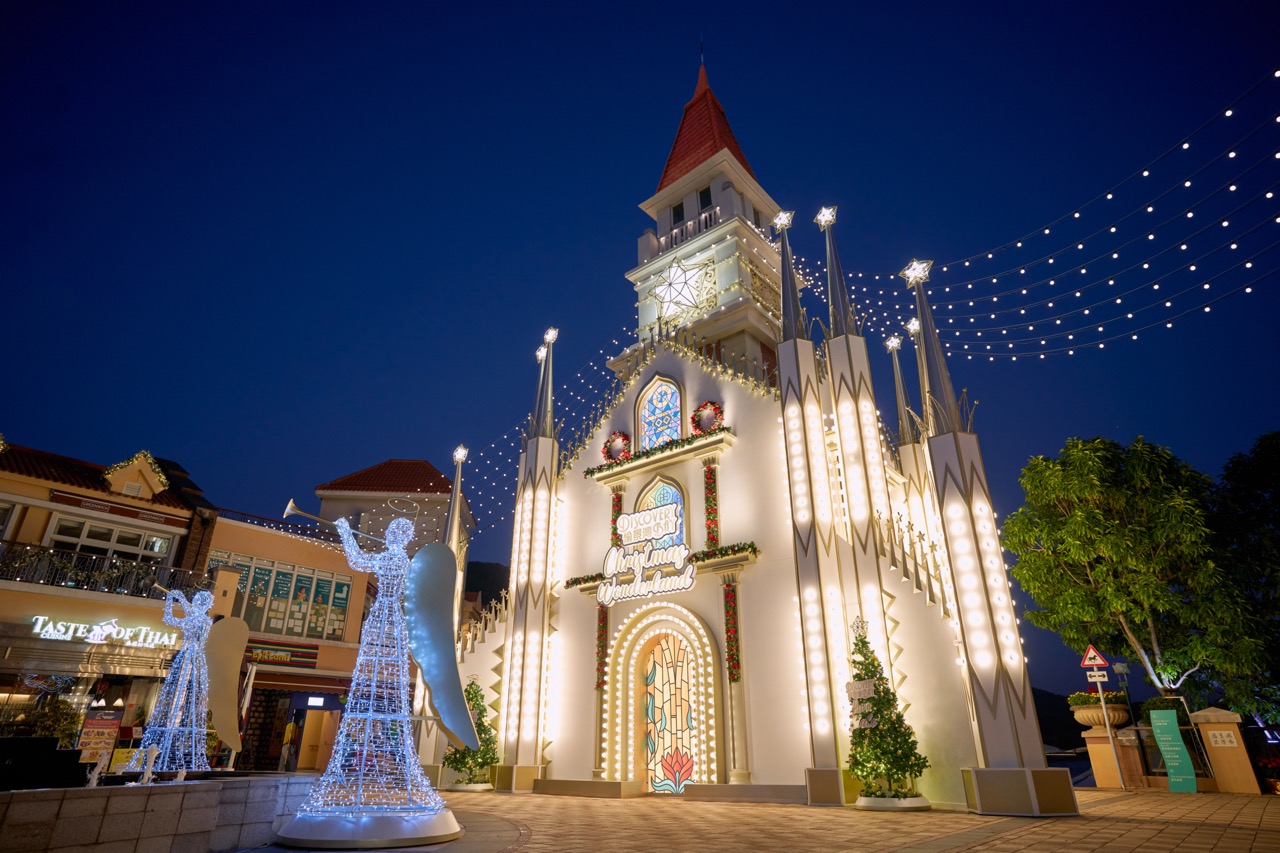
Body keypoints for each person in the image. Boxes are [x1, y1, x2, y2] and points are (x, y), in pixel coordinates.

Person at [126, 589, 214, 772]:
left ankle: (181, 756)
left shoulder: (205, 621)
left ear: (205, 605)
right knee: (172, 692)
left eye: (200, 601)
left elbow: (192, 621)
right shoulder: (194, 617)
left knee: (191, 696)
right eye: (195, 600)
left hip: (195, 659)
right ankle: (154, 758)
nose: (196, 603)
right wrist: (170, 601)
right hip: (183, 658)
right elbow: (170, 620)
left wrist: (181, 600)